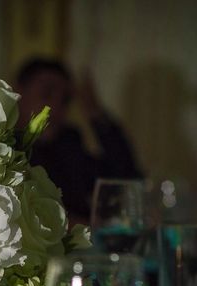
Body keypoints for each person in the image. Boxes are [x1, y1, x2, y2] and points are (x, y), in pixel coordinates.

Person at [16, 59, 142, 223]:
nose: (55, 105)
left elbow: (125, 180)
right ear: (18, 92)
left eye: (65, 100)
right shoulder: (1, 147)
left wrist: (94, 111)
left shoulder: (68, 143)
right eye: (47, 93)